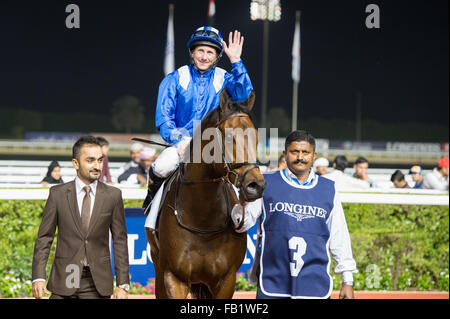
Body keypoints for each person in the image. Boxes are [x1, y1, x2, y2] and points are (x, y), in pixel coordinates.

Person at [231, 130, 357, 299]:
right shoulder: (265, 182)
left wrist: (347, 280)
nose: (300, 157)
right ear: (285, 154)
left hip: (315, 284)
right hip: (273, 282)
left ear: (313, 155)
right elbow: (241, 224)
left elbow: (339, 236)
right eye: (294, 152)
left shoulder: (329, 189)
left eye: (305, 152)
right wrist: (243, 203)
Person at [143, 26, 254, 211]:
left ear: (217, 56)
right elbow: (163, 117)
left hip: (215, 146)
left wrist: (236, 61)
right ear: (192, 53)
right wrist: (179, 140)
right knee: (162, 166)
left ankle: (242, 222)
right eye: (200, 51)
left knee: (243, 175)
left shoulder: (225, 79)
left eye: (210, 52)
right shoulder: (175, 78)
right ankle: (152, 210)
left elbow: (244, 96)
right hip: (182, 145)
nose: (204, 56)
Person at [32, 135, 130, 299]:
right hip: (64, 278)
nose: (97, 166)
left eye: (100, 160)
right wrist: (38, 277)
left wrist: (122, 284)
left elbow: (120, 240)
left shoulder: (113, 195)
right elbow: (44, 238)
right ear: (75, 163)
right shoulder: (57, 194)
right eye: (90, 160)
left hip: (96, 283)